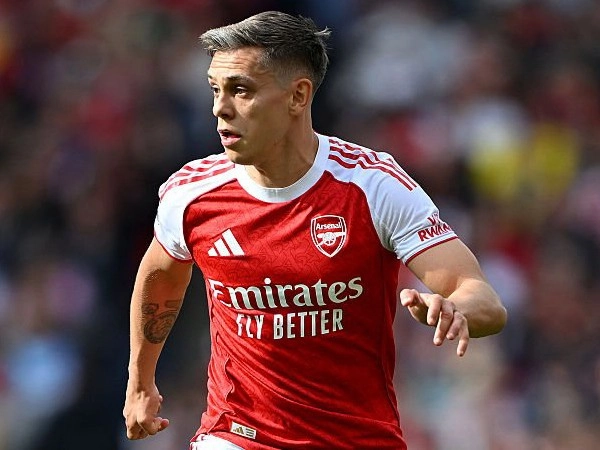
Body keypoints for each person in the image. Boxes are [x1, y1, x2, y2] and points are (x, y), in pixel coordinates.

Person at [123, 11, 507, 450]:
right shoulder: (192, 193)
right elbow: (161, 273)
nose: (220, 108)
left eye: (241, 90)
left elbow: (483, 299)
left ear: (298, 96)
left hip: (357, 439)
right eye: (215, 89)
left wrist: (456, 308)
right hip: (236, 435)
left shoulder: (373, 187)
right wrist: (140, 381)